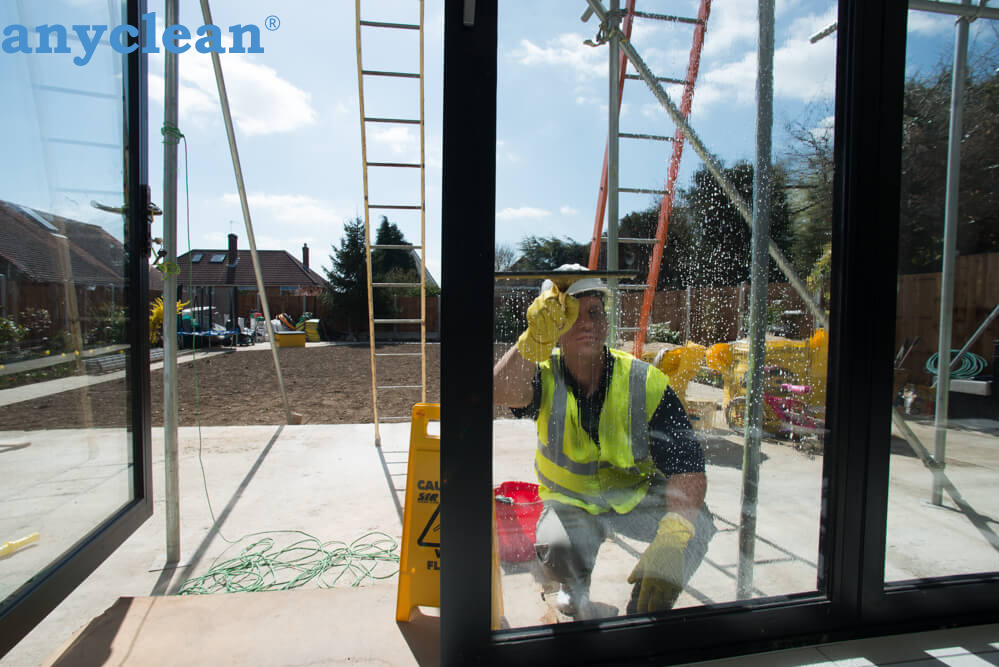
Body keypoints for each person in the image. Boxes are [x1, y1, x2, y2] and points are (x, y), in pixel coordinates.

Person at [493, 264, 715, 620]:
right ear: (554, 326)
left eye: (595, 313)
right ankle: (573, 592)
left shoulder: (646, 381)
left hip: (634, 501)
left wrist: (671, 539)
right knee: (557, 550)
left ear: (607, 324)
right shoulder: (542, 374)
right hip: (570, 503)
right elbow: (500, 390)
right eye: (571, 316)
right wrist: (533, 340)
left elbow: (688, 465)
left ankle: (647, 610)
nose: (587, 324)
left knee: (695, 525)